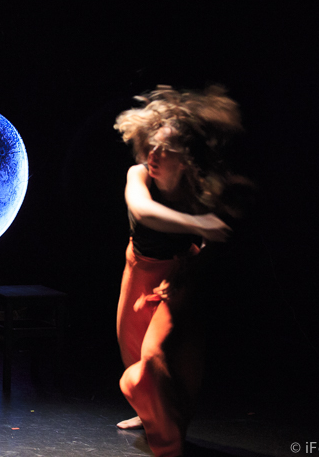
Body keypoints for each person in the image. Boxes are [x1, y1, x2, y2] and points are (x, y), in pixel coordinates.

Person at [113, 85, 245, 457]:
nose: (153, 155)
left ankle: (169, 443)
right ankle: (149, 414)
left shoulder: (199, 191)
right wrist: (198, 223)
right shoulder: (138, 176)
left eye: (165, 150)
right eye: (151, 146)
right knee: (133, 352)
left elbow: (216, 245)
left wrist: (187, 271)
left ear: (185, 158)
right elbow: (142, 212)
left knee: (155, 360)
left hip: (176, 281)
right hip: (137, 270)